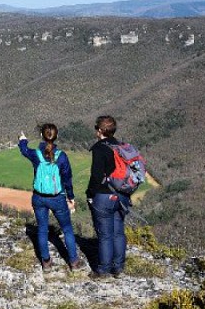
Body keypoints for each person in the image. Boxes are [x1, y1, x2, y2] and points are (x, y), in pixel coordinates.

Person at [18, 123, 85, 272]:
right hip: (57, 198)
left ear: (42, 136)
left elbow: (24, 150)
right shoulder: (61, 157)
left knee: (42, 229)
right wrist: (71, 197)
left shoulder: (36, 154)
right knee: (67, 229)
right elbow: (67, 179)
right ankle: (73, 262)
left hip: (39, 197)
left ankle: (46, 263)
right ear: (56, 136)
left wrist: (23, 139)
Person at [86, 115, 131, 279]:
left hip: (104, 196)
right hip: (122, 195)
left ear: (99, 130)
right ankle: (118, 267)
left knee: (105, 235)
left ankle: (103, 270)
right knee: (118, 232)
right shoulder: (121, 146)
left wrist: (90, 194)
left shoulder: (99, 149)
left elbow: (96, 176)